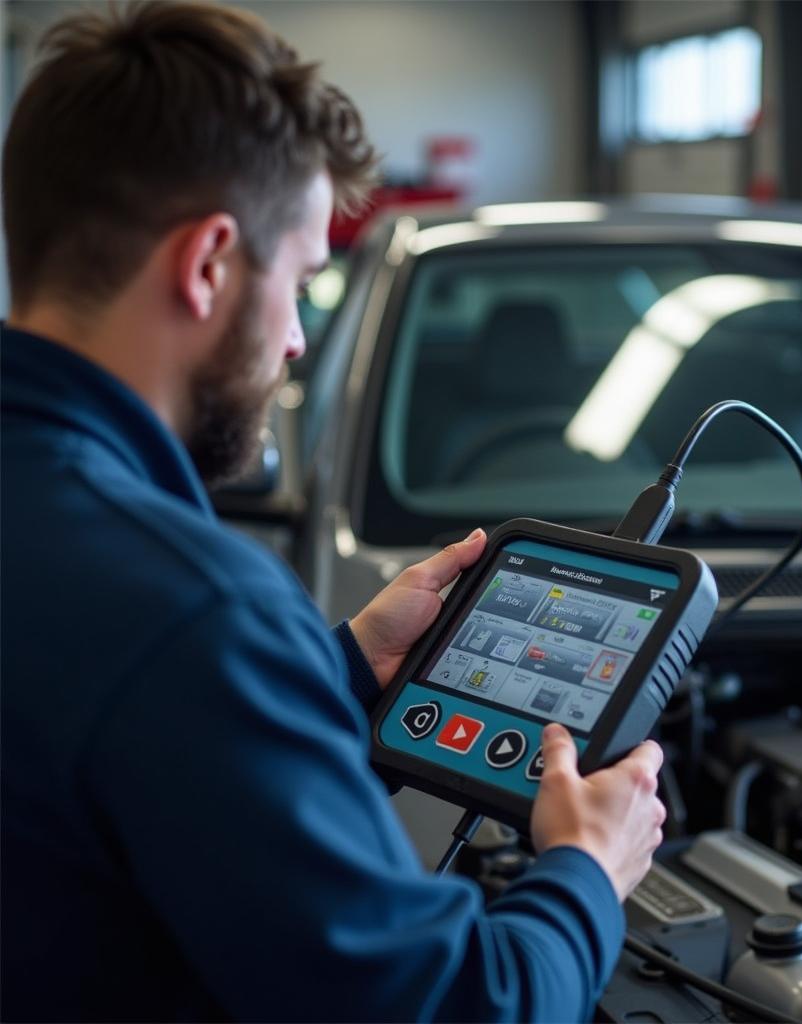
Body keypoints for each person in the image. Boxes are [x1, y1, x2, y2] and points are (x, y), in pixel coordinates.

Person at [0, 3, 666, 1021]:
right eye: (304, 281)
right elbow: (444, 1007)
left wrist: (339, 670)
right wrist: (585, 869)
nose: (299, 342)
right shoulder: (187, 609)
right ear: (209, 265)